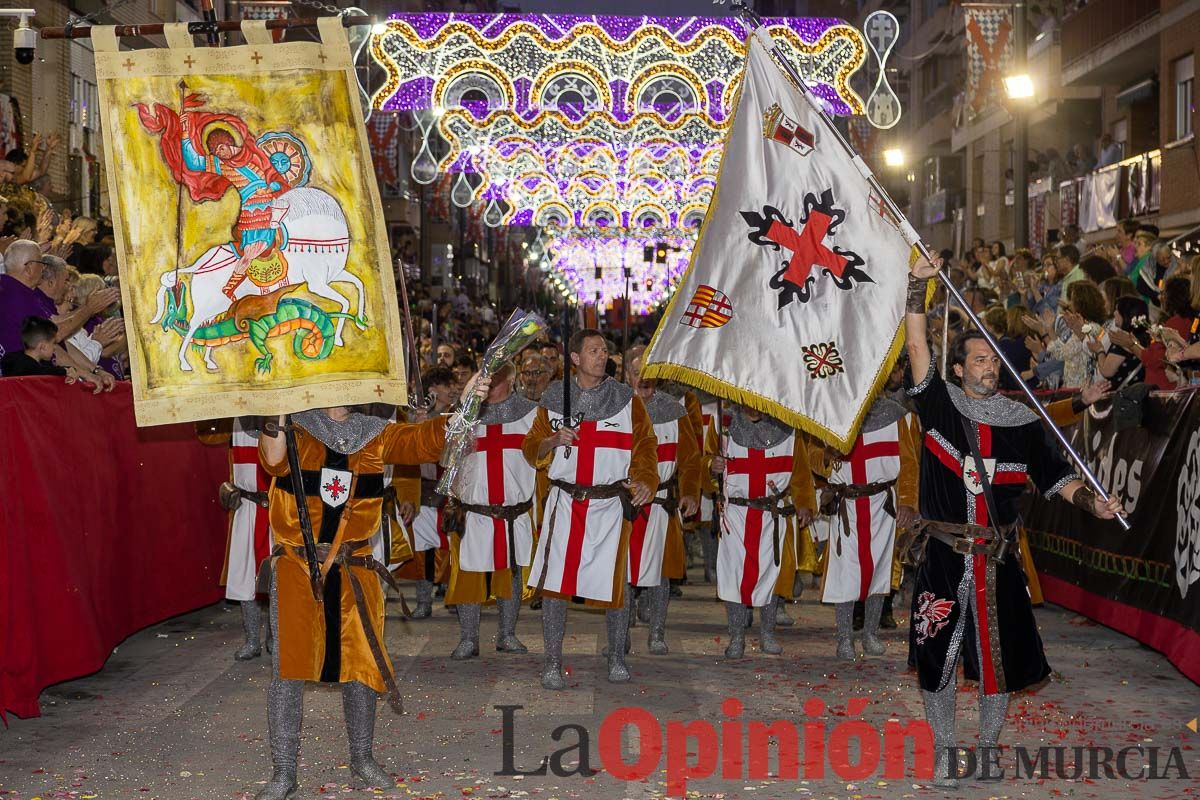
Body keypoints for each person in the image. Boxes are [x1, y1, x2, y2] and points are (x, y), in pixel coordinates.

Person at [904, 254, 1121, 787]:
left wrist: (1094, 504)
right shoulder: (938, 405)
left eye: (993, 361)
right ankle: (945, 751)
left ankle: (987, 749)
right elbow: (915, 345)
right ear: (958, 368)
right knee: (940, 660)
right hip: (943, 557)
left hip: (998, 561)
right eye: (978, 360)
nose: (988, 367)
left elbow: (1055, 479)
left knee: (998, 666)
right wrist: (917, 286)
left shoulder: (1022, 421)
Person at [253, 376, 489, 800]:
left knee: (360, 668)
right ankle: (284, 772)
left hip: (355, 569)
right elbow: (272, 461)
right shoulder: (295, 427)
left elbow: (428, 440)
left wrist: (469, 397)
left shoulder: (377, 435)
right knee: (288, 670)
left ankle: (362, 760)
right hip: (297, 568)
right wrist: (280, 404)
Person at [523, 328, 658, 688]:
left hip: (610, 505)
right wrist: (551, 440)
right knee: (555, 586)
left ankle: (616, 657)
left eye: (604, 350)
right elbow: (530, 448)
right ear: (576, 359)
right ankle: (552, 662)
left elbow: (645, 445)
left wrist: (646, 479)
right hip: (565, 503)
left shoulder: (626, 399)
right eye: (594, 350)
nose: (602, 356)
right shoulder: (554, 397)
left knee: (616, 586)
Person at [809, 394, 918, 660]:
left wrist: (907, 502)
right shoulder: (829, 413)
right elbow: (809, 458)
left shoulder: (900, 416)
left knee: (879, 572)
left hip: (882, 505)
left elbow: (911, 463)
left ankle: (870, 633)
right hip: (847, 505)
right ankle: (845, 638)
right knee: (845, 574)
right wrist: (826, 455)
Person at [706, 405, 816, 659]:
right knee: (733, 576)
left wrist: (804, 504)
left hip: (770, 515)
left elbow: (800, 472)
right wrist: (712, 465)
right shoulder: (724, 424)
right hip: (736, 514)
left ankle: (767, 633)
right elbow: (703, 463)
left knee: (771, 575)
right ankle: (736, 636)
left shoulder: (787, 427)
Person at [445, 362, 538, 658]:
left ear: (510, 381)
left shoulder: (532, 414)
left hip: (513, 512)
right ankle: (468, 638)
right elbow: (445, 450)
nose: (488, 384)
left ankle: (507, 634)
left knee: (509, 574)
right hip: (474, 512)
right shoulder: (465, 415)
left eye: (495, 379)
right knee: (469, 575)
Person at [623, 356, 700, 655]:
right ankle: (622, 635)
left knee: (661, 573)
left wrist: (691, 492)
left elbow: (691, 460)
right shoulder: (615, 409)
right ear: (627, 375)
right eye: (636, 372)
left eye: (649, 371)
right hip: (625, 504)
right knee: (622, 572)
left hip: (662, 504)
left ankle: (656, 633)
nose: (643, 378)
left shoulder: (673, 411)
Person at [197, 417, 275, 660]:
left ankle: (276, 638)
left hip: (277, 508)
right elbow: (207, 433)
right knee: (243, 575)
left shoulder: (280, 416)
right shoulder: (235, 420)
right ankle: (252, 640)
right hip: (246, 507)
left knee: (277, 576)